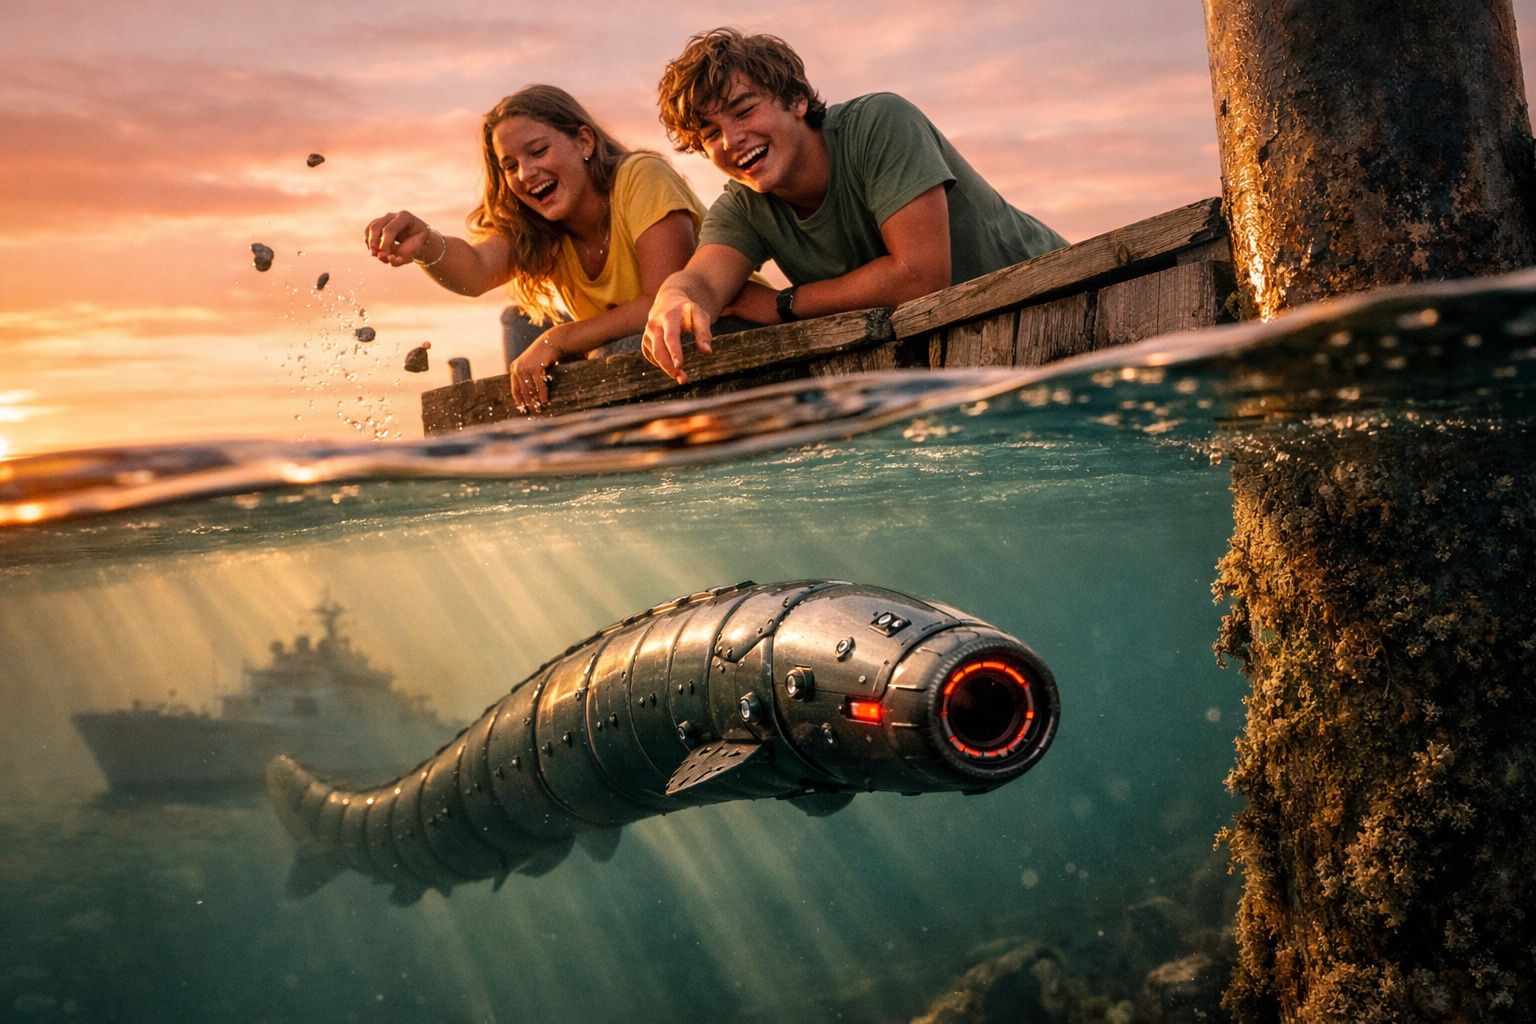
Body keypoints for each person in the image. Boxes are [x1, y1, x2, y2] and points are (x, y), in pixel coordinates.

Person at [642, 28, 1068, 384]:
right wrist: (675, 301)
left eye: (744, 111)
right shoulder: (742, 207)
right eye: (711, 134)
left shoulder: (881, 123)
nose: (731, 140)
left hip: (1059, 302)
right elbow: (702, 283)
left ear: (796, 101)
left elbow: (919, 277)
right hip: (956, 359)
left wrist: (782, 304)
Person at [365, 85, 710, 413]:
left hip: (713, 330)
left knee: (621, 350)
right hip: (633, 357)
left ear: (583, 141)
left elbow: (664, 303)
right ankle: (548, 457)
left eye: (538, 151)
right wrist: (426, 243)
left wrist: (558, 339)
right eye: (510, 166)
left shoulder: (641, 175)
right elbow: (476, 271)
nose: (526, 174)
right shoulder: (537, 224)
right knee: (521, 322)